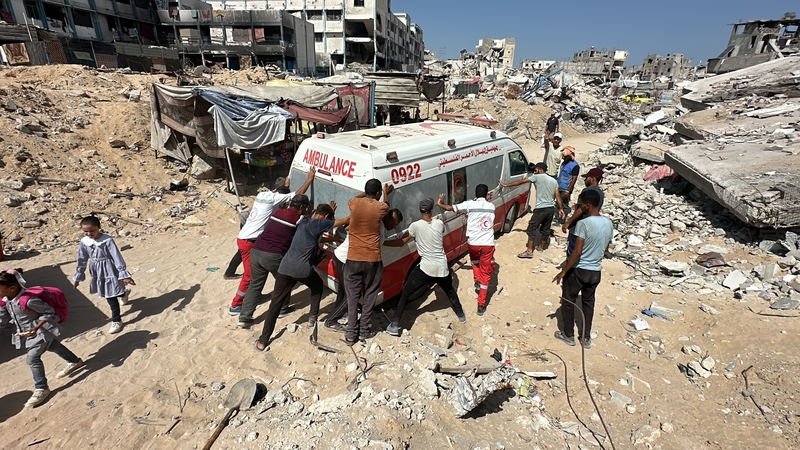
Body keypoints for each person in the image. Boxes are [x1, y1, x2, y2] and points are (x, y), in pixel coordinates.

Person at [254, 203, 350, 351]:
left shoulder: (304, 221)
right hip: (302, 269)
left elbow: (316, 238)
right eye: (329, 219)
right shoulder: (318, 224)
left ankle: (262, 340)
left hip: (285, 267)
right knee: (317, 286)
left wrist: (329, 213)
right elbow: (345, 221)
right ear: (325, 218)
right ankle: (312, 319)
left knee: (275, 303)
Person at [228, 169, 315, 316]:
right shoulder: (278, 200)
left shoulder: (263, 195)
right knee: (250, 277)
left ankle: (251, 302)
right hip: (251, 242)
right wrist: (309, 179)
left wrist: (286, 184)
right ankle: (236, 305)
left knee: (256, 277)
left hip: (244, 237)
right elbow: (298, 194)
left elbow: (281, 192)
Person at [0, 269, 85, 407]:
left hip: (40, 332)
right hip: (29, 334)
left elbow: (48, 312)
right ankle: (74, 361)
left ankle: (42, 388)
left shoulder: (29, 301)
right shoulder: (6, 301)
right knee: (53, 346)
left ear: (12, 288)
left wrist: (36, 327)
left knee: (32, 358)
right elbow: (3, 316)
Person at [384, 198, 466, 336]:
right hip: (441, 267)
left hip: (426, 268)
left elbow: (400, 242)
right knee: (450, 290)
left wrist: (383, 243)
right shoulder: (439, 223)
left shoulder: (415, 226)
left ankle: (394, 324)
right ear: (432, 210)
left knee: (405, 293)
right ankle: (461, 314)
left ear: (419, 210)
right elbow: (435, 226)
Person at [238, 194, 311, 328]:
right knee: (285, 280)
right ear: (301, 207)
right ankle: (283, 308)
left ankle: (244, 317)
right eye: (306, 208)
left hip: (257, 250)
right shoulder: (299, 219)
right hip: (273, 255)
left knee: (255, 285)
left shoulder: (278, 212)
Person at [324, 208, 403, 332]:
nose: (393, 228)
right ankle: (331, 320)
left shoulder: (378, 224)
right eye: (394, 223)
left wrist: (404, 240)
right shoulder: (377, 227)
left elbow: (386, 242)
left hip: (343, 258)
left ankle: (338, 314)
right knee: (351, 296)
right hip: (345, 260)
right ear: (388, 218)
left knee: (344, 291)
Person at [552, 189, 613, 349]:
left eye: (581, 204)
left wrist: (563, 271)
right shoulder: (608, 223)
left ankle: (568, 335)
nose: (579, 207)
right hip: (595, 272)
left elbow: (577, 252)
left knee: (567, 301)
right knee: (588, 304)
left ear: (588, 205)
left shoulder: (583, 224)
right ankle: (585, 338)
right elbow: (606, 247)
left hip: (579, 270)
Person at [343, 180, 394, 345]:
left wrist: (367, 193)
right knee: (370, 295)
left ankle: (351, 333)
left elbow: (354, 199)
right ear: (378, 193)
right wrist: (386, 192)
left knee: (352, 297)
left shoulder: (354, 203)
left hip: (353, 259)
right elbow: (386, 204)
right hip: (372, 259)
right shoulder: (380, 207)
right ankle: (364, 330)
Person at [438, 184, 495, 316]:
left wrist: (440, 203)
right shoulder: (491, 207)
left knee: (475, 261)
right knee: (487, 274)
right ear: (487, 195)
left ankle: (477, 281)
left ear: (475, 194)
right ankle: (481, 305)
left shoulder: (469, 204)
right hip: (488, 244)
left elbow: (450, 208)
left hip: (473, 243)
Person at [73, 216, 135, 335]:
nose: (89, 233)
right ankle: (124, 294)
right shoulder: (84, 242)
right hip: (97, 271)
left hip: (110, 269)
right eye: (85, 231)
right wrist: (78, 276)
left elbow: (117, 256)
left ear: (99, 228)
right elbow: (81, 259)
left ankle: (117, 320)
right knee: (111, 291)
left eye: (92, 231)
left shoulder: (107, 240)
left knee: (110, 294)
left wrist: (124, 274)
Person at [500, 162, 564, 257]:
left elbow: (521, 182)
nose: (534, 172)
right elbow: (557, 195)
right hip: (550, 208)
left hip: (541, 208)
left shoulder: (537, 177)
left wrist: (506, 185)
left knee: (531, 228)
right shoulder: (554, 181)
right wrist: (561, 208)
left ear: (541, 170)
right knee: (546, 228)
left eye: (535, 170)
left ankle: (529, 251)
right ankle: (541, 247)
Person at [563, 168, 606, 258]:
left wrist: (568, 222)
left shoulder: (587, 191)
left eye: (587, 177)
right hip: (590, 226)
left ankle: (569, 270)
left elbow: (581, 210)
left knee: (573, 252)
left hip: (579, 226)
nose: (585, 180)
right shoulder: (600, 193)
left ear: (593, 178)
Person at [557, 146, 580, 220]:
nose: (563, 158)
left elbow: (574, 179)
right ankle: (558, 217)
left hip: (565, 189)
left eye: (565, 156)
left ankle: (562, 219)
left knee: (564, 205)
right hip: (559, 186)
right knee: (558, 203)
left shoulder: (575, 166)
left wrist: (568, 191)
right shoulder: (564, 163)